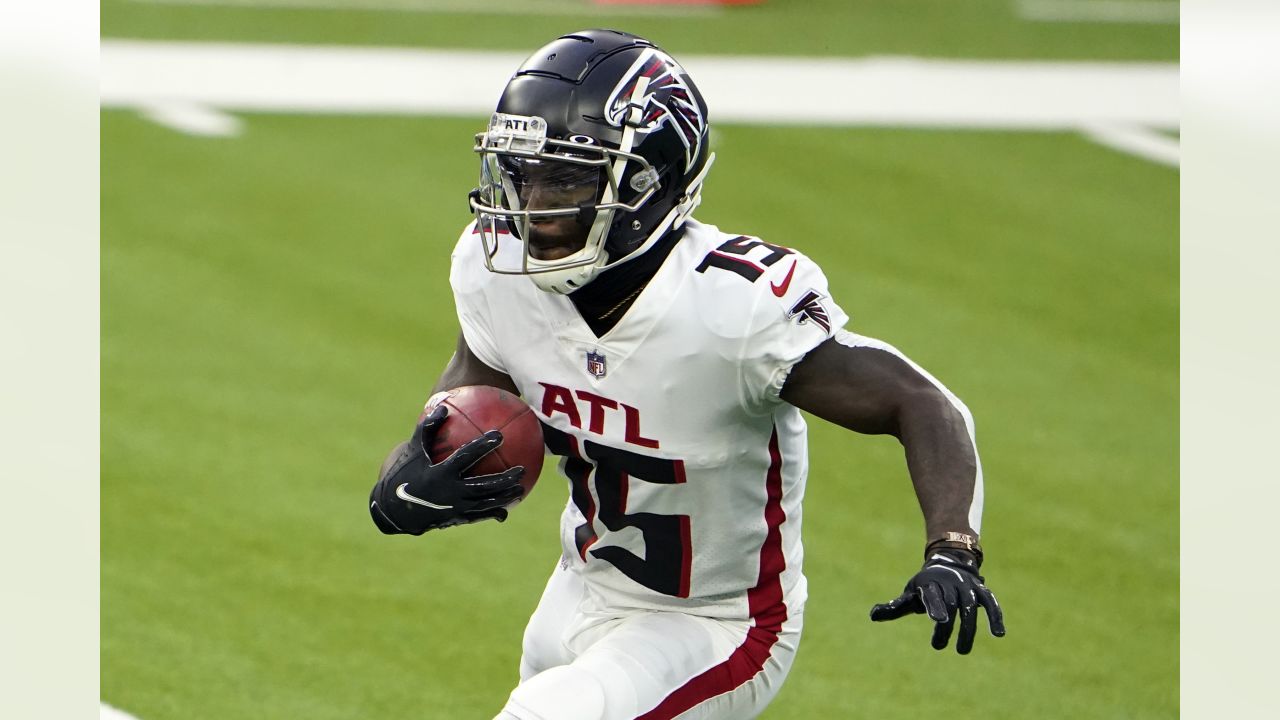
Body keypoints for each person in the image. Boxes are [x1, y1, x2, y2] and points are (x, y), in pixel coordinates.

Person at [369, 28, 1005, 720]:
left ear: (651, 182)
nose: (532, 205)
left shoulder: (733, 307)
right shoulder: (498, 272)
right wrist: (407, 478)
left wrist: (952, 548)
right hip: (580, 589)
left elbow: (919, 402)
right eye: (522, 173)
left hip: (720, 621)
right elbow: (465, 406)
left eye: (567, 177)